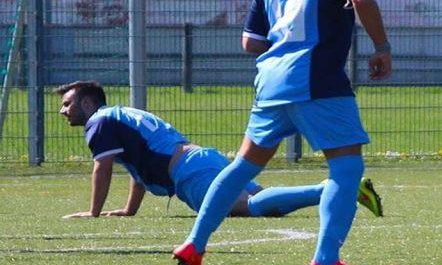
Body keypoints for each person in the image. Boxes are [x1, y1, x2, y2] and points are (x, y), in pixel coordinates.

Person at [173, 0, 392, 265]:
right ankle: (326, 261)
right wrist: (382, 47)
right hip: (318, 81)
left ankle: (194, 243)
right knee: (346, 167)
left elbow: (250, 43)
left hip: (271, 82)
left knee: (242, 166)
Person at [56, 80, 383, 220]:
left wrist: (94, 212)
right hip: (200, 160)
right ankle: (337, 190)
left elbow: (104, 167)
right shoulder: (119, 117)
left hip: (189, 172)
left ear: (88, 102)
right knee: (266, 202)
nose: (63, 110)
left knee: (253, 207)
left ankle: (337, 188)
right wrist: (130, 210)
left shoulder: (98, 122)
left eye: (68, 103)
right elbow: (139, 170)